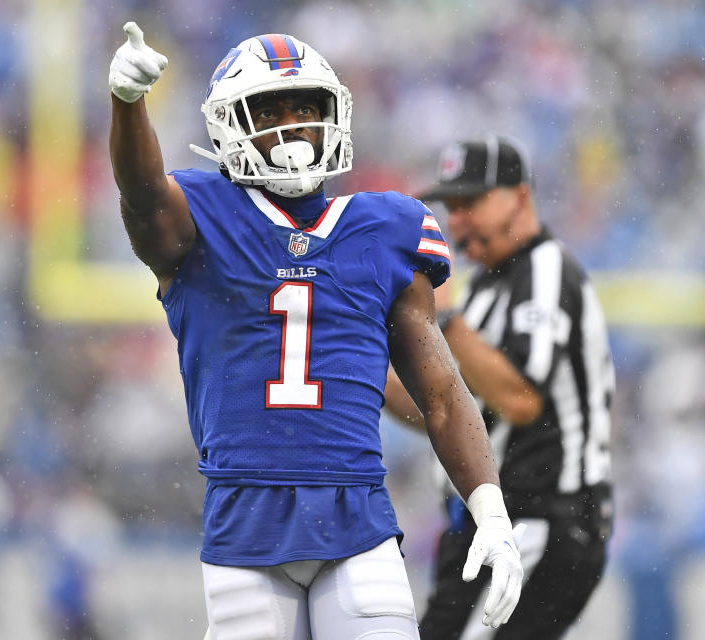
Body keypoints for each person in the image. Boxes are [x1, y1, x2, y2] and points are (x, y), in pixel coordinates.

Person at [107, 23, 524, 640]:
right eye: (270, 110)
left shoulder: (386, 226)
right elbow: (142, 196)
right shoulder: (199, 216)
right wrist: (129, 104)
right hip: (245, 520)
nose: (294, 126)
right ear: (230, 124)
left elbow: (439, 391)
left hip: (356, 514)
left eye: (306, 107)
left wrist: (489, 508)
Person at [384, 136, 615, 639]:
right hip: (491, 525)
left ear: (521, 197)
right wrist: (361, 361)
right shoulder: (489, 287)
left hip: (543, 520)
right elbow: (440, 411)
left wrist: (439, 319)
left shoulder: (547, 271)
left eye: (471, 203)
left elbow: (521, 399)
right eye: (452, 206)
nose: (458, 220)